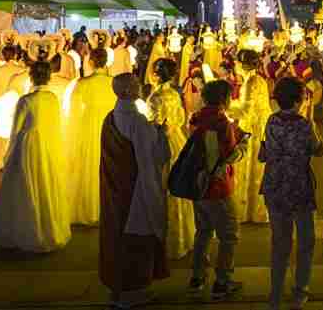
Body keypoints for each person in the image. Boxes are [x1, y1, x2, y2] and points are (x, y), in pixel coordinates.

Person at [99, 73, 171, 309]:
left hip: (117, 190)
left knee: (117, 237)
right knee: (137, 240)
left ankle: (117, 289)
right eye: (137, 85)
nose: (141, 87)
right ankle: (133, 293)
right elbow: (151, 157)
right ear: (129, 91)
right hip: (136, 190)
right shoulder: (137, 121)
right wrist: (161, 134)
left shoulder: (110, 117)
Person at [259, 77, 323, 310]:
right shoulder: (305, 125)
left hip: (275, 185)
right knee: (305, 240)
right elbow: (319, 150)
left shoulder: (271, 121)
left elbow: (267, 151)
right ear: (300, 100)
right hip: (299, 186)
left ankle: (275, 294)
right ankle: (300, 291)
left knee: (280, 242)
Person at [0, 61, 71, 253]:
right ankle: (48, 228)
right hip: (48, 144)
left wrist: (9, 151)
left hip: (27, 147)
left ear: (31, 76)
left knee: (26, 186)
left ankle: (27, 229)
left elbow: (16, 129)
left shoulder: (26, 100)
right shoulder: (52, 98)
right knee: (45, 183)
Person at [187, 79, 248, 300]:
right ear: (225, 99)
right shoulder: (220, 122)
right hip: (218, 186)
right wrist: (242, 145)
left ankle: (197, 277)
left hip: (198, 184)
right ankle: (222, 281)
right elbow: (227, 155)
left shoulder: (196, 118)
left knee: (203, 231)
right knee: (228, 234)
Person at [145, 58, 195, 259]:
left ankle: (166, 239)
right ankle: (183, 235)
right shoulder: (174, 93)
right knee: (179, 186)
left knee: (162, 188)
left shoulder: (155, 97)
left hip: (162, 144)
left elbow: (152, 124)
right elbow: (181, 118)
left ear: (156, 75)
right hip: (177, 140)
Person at [66, 48, 117, 225]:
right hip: (111, 125)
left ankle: (89, 206)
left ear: (91, 62)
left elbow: (73, 111)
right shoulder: (114, 82)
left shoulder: (83, 83)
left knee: (89, 161)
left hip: (88, 124)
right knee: (108, 163)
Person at [232, 49, 271, 224]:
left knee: (248, 168)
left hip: (252, 129)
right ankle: (255, 210)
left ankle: (246, 209)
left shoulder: (249, 83)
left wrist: (225, 106)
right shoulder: (260, 80)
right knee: (257, 170)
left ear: (242, 65)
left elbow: (245, 110)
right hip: (261, 128)